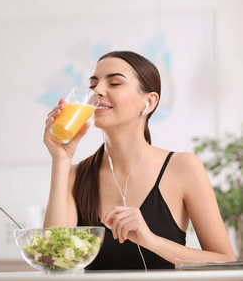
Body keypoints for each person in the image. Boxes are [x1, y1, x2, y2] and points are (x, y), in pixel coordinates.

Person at [43, 51, 236, 270]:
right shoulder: (74, 174)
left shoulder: (183, 167)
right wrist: (61, 158)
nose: (97, 91)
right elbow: (54, 261)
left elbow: (225, 261)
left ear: (149, 102)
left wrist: (150, 240)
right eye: (93, 84)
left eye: (114, 83)